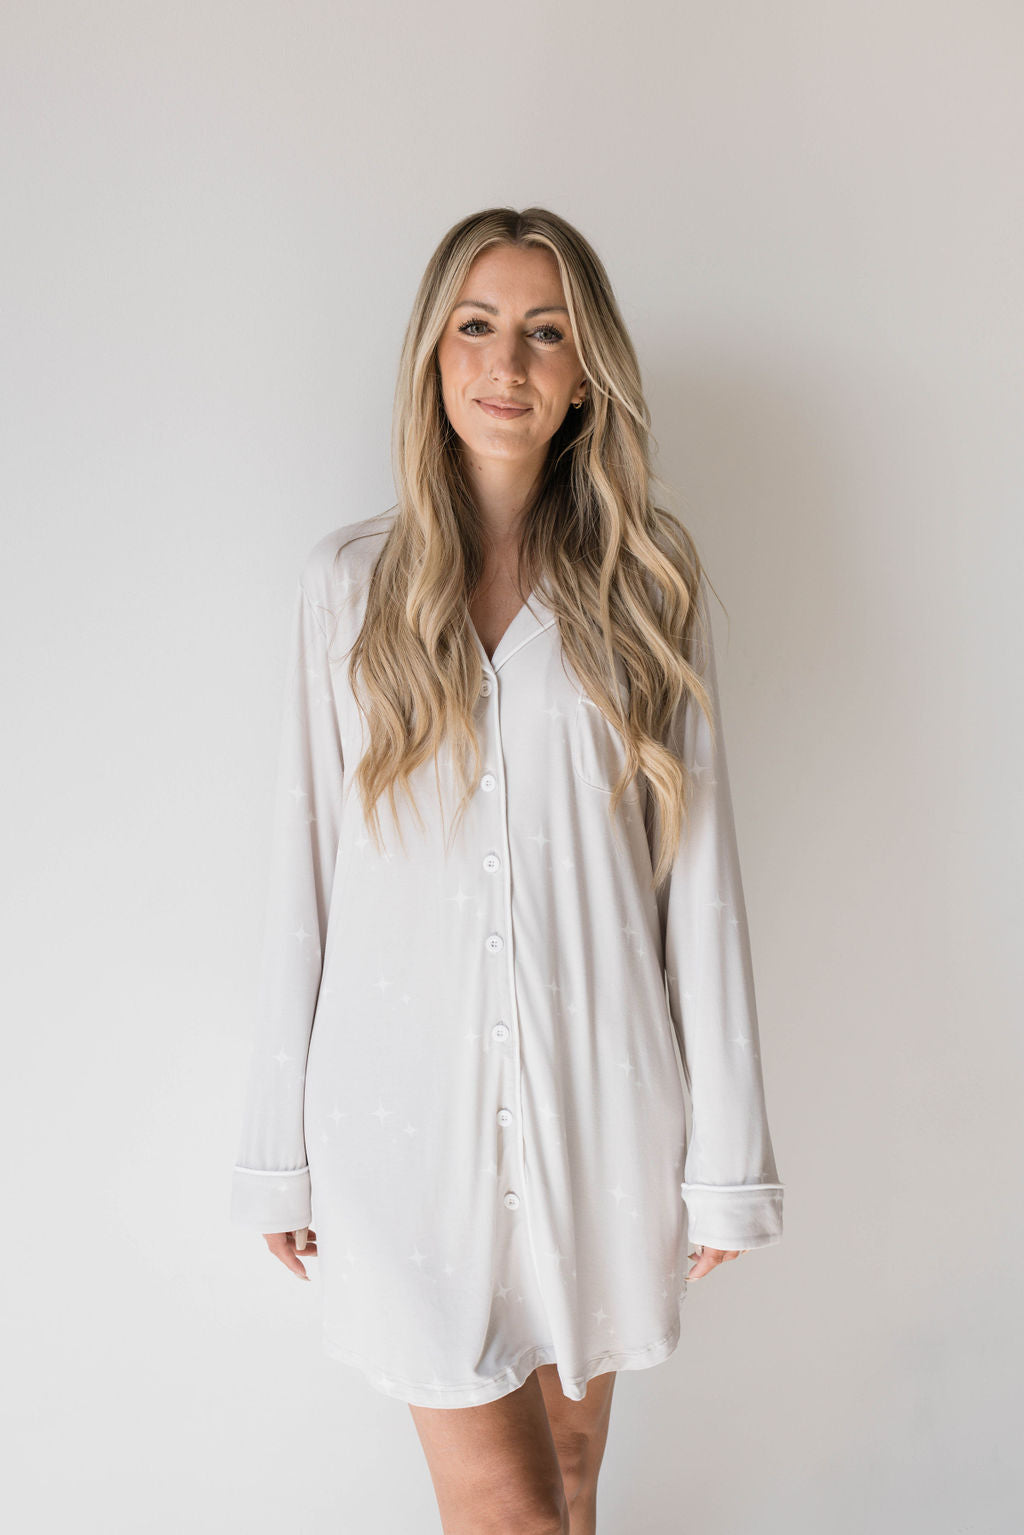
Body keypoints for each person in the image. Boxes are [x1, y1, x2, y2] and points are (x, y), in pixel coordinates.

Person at [230, 205, 784, 1534]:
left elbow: (697, 886)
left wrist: (729, 1158)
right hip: (404, 1128)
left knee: (575, 1484)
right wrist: (275, 1155)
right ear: (433, 355)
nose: (509, 361)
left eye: (547, 332)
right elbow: (303, 877)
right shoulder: (345, 589)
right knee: (509, 1512)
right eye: (477, 325)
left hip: (604, 1113)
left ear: (586, 370)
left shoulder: (651, 586)